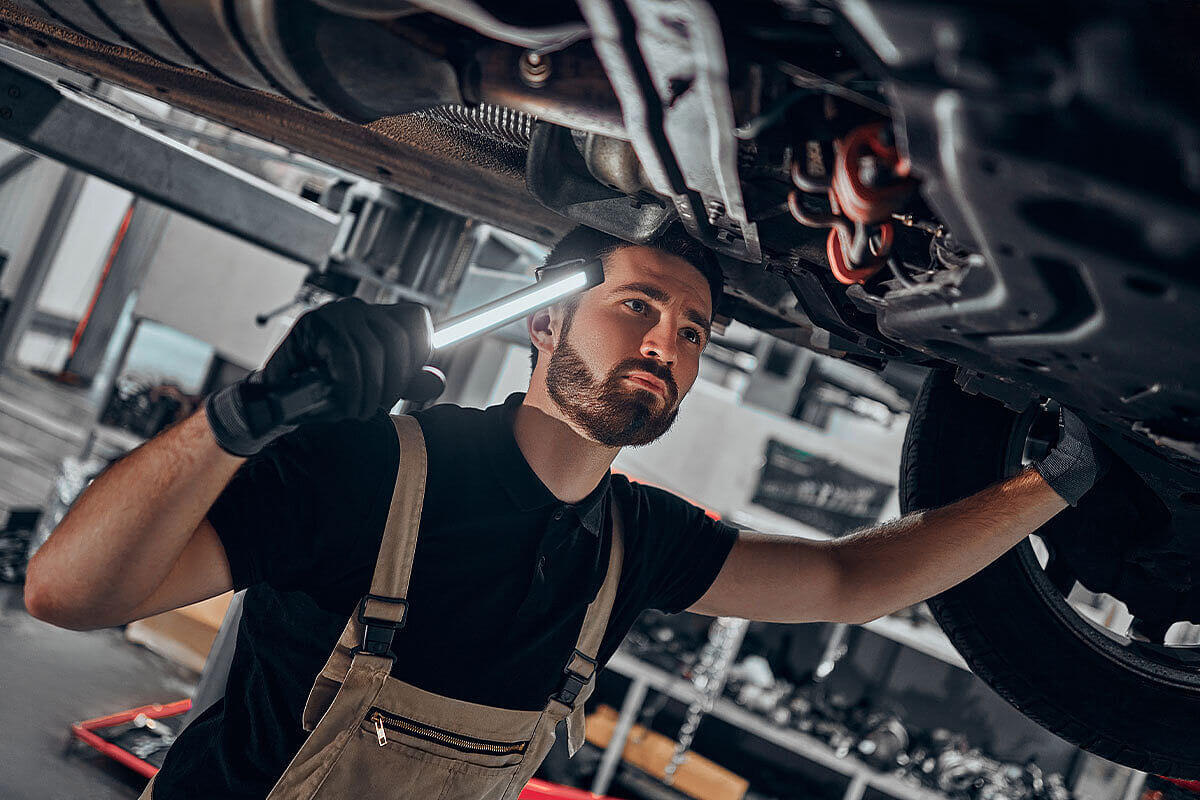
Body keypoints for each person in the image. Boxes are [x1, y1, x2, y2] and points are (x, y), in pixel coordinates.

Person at [23, 223, 1107, 799]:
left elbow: (848, 579)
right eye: (638, 307)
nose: (664, 347)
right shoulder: (366, 468)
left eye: (692, 334)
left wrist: (1050, 481)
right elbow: (67, 593)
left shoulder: (639, 540)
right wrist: (241, 419)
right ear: (542, 327)